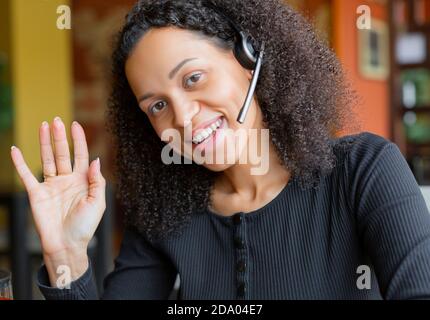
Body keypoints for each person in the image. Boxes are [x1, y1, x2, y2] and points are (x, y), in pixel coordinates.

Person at [10, 0, 430, 300]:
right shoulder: (166, 209)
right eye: (157, 105)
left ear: (249, 58)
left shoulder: (364, 171)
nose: (184, 117)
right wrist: (66, 256)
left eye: (193, 78)